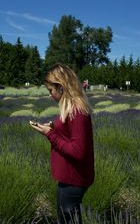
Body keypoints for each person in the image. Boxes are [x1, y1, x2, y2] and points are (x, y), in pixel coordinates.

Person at [30, 63, 94, 224]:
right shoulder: (71, 109)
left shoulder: (77, 111)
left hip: (74, 178)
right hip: (69, 177)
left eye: (50, 90)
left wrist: (49, 134)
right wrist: (53, 127)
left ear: (61, 87)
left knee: (68, 219)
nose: (50, 95)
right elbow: (69, 133)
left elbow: (78, 151)